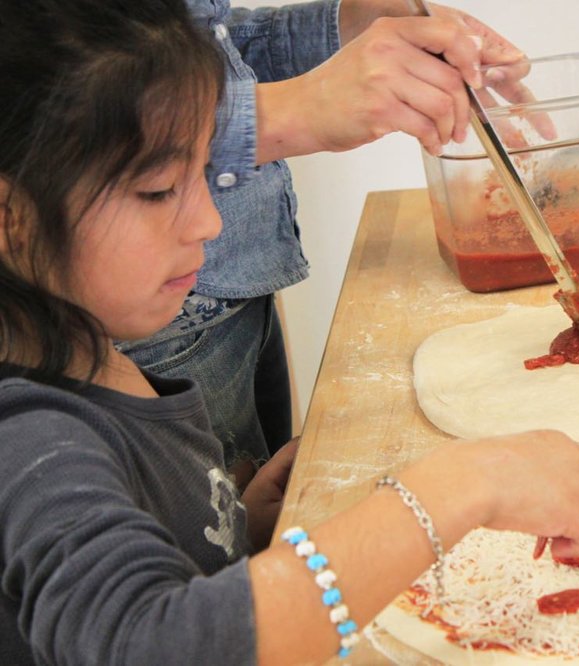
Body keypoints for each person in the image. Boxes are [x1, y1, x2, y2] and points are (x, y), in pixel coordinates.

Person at [0, 1, 579, 664]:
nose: (207, 222)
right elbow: (152, 640)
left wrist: (239, 525)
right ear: (12, 218)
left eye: (205, 174)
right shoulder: (29, 437)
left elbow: (159, 558)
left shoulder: (94, 349)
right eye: (158, 192)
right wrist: (463, 486)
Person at [119, 0, 530, 485]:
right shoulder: (55, 434)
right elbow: (45, 108)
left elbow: (184, 39)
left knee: (247, 524)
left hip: (233, 297)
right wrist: (291, 109)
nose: (208, 221)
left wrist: (340, 27)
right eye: (160, 189)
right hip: (149, 336)